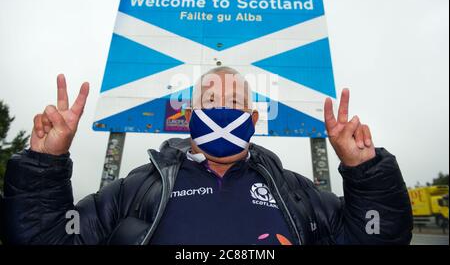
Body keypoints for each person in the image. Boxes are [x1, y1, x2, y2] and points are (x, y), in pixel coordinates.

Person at [1, 67, 412, 245]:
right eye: (211, 100)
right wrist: (44, 164)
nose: (223, 109)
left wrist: (365, 170)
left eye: (235, 103)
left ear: (252, 117)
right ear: (189, 115)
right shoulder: (137, 189)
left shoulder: (294, 192)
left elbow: (375, 238)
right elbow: (45, 239)